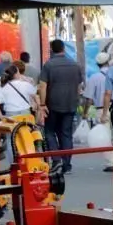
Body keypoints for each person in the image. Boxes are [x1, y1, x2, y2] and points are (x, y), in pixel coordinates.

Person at [39, 39, 84, 173]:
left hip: (53, 103)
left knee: (50, 131)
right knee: (66, 133)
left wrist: (42, 104)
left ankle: (56, 159)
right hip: (70, 104)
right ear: (64, 48)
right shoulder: (75, 65)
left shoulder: (48, 65)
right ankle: (67, 163)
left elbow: (43, 85)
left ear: (52, 50)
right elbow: (78, 86)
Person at [0, 62, 39, 163]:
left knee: (10, 140)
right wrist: (37, 107)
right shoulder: (26, 85)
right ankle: (29, 161)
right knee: (27, 137)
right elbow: (35, 96)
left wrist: (1, 117)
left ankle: (13, 163)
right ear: (17, 73)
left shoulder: (4, 88)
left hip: (11, 116)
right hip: (25, 115)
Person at [82, 52, 110, 124]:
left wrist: (85, 113)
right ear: (108, 62)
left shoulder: (94, 77)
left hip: (100, 111)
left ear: (97, 64)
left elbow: (89, 99)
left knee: (101, 134)